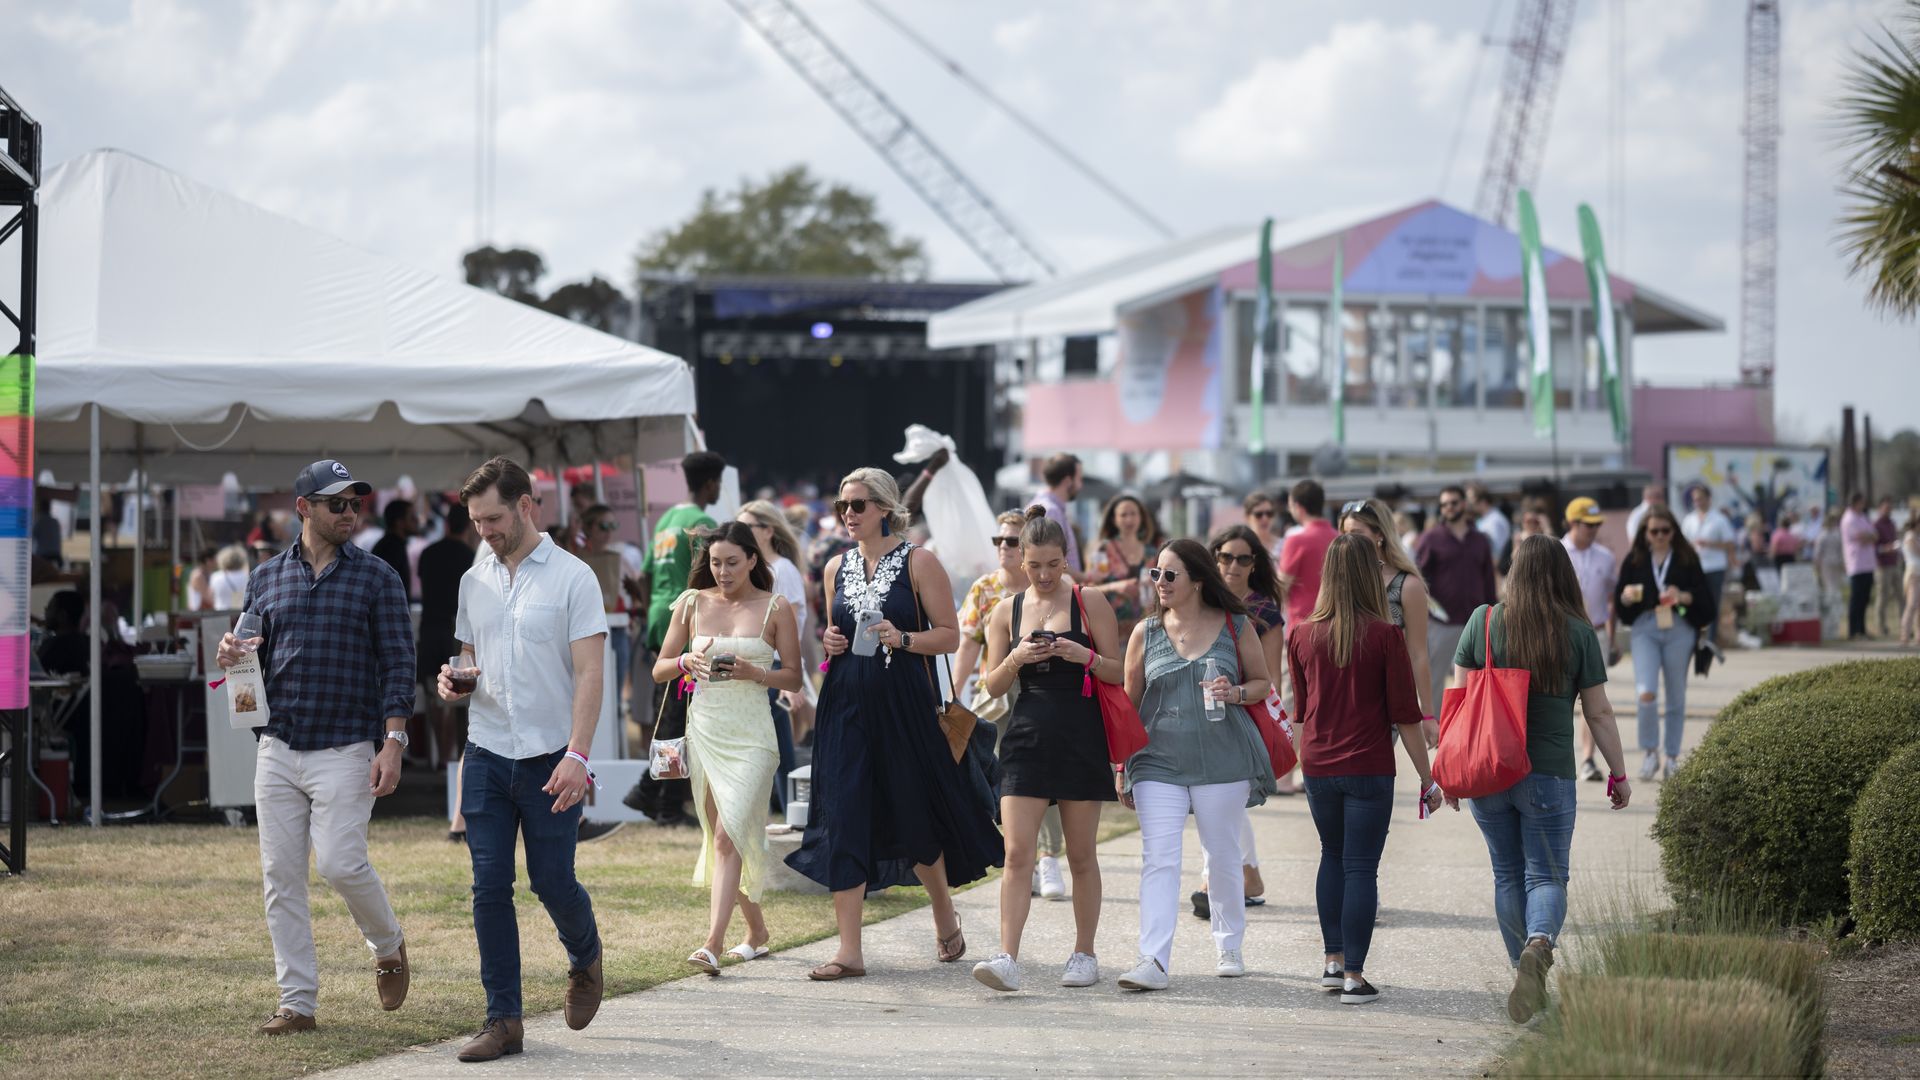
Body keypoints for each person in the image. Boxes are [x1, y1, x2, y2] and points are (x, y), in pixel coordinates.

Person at [214, 459, 413, 1037]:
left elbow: (399, 664)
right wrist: (232, 654)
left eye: (355, 503)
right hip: (278, 743)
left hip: (347, 745)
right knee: (280, 876)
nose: (350, 512)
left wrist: (393, 741)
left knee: (340, 863)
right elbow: (250, 651)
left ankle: (389, 944)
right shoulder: (266, 577)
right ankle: (296, 1004)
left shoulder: (379, 578)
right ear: (304, 509)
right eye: (337, 504)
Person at [786, 467, 1003, 981]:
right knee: (843, 813)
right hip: (846, 705)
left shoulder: (919, 561)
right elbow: (832, 634)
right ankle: (849, 951)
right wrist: (831, 644)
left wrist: (901, 638)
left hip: (904, 707)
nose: (848, 515)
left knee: (913, 812)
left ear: (885, 507)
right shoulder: (834, 567)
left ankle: (944, 911)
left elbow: (950, 637)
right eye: (842, 506)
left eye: (858, 505)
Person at [436, 456, 608, 1062]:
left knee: (552, 881)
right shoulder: (473, 579)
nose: (485, 531)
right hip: (485, 750)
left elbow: (591, 673)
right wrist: (453, 682)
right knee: (488, 888)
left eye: (495, 518)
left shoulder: (574, 577)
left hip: (550, 759)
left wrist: (578, 755)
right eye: (477, 521)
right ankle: (502, 1019)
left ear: (528, 504)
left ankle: (585, 956)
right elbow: (466, 657)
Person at [1451, 535, 1632, 1023]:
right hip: (1549, 772)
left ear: (1514, 570)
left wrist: (1451, 772)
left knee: (1508, 873)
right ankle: (1537, 946)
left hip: (1489, 769)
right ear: (1563, 574)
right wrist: (1617, 772)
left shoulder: (1484, 621)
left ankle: (1523, 969)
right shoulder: (1577, 631)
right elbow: (1597, 712)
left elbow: (1465, 700)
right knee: (1547, 875)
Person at [970, 507, 1123, 993]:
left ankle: (1085, 953)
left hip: (1081, 736)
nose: (1043, 574)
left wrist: (1085, 656)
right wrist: (1017, 656)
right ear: (1020, 560)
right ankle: (1007, 957)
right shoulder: (1005, 610)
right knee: (1018, 854)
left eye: (1052, 564)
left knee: (1081, 856)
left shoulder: (1088, 600)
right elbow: (991, 686)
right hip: (1026, 735)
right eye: (1034, 565)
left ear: (1065, 559)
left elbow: (1121, 671)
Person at [1117, 539, 1278, 992]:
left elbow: (1263, 682)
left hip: (1223, 761)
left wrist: (1237, 693)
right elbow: (1130, 704)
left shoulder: (1236, 625)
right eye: (1156, 574)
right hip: (1156, 762)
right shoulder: (1145, 633)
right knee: (1159, 860)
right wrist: (1120, 766)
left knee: (1223, 855)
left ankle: (1229, 944)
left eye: (1171, 575)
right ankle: (1153, 959)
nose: (1161, 583)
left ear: (1198, 580)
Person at [1289, 533, 1442, 1006]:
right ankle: (1355, 975)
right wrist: (1428, 777)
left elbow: (1300, 710)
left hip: (1318, 763)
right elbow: (1406, 716)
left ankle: (1333, 964)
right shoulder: (1384, 636)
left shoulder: (1300, 634)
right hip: (1368, 764)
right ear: (1368, 576)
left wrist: (1300, 764)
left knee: (1331, 855)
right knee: (1360, 867)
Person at [651, 523, 803, 975]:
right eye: (715, 562)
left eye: (732, 562)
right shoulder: (692, 604)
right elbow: (660, 668)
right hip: (707, 731)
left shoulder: (775, 608)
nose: (722, 571)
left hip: (754, 735)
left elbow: (793, 676)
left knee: (727, 833)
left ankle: (712, 943)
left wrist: (754, 673)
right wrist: (685, 661)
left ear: (753, 560)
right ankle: (756, 932)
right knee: (724, 837)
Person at [953, 510, 1067, 900]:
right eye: (998, 541)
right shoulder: (985, 589)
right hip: (998, 693)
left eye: (1012, 541)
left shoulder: (1058, 591)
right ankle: (1025, 857)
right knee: (1002, 778)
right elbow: (968, 643)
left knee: (1048, 777)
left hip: (1043, 695)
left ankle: (1050, 857)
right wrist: (955, 695)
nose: (1004, 548)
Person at [1188, 524, 1286, 921]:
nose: (1232, 565)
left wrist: (1239, 694)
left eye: (1243, 558)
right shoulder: (1203, 601)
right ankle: (1250, 876)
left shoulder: (1264, 612)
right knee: (1219, 798)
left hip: (1242, 713)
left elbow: (1271, 678)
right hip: (1202, 711)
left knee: (1221, 797)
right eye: (1225, 556)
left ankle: (1212, 879)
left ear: (1254, 564)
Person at [630, 451, 726, 827]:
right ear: (711, 483)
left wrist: (651, 607)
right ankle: (660, 799)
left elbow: (643, 575)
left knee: (670, 712)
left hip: (660, 618)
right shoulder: (701, 521)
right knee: (676, 716)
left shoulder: (667, 519)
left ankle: (657, 797)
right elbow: (710, 574)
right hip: (685, 621)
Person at [1614, 506, 1713, 781]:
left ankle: (1671, 757)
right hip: (1645, 627)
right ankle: (1649, 752)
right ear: (1645, 533)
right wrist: (1625, 597)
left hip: (1679, 628)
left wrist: (1683, 596)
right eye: (1654, 531)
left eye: (1665, 531)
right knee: (1645, 692)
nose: (1659, 536)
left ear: (1673, 532)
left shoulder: (1686, 558)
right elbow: (1621, 601)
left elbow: (1706, 600)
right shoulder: (1634, 559)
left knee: (1676, 694)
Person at [1337, 498, 1437, 744]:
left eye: (1357, 533)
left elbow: (1418, 654)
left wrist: (1427, 714)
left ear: (1379, 534)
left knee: (1371, 777)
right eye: (1344, 534)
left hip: (1382, 701)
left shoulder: (1407, 585)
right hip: (1337, 695)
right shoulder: (1336, 578)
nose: (1349, 540)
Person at [736, 499, 810, 812]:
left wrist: (790, 678)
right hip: (756, 666)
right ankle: (782, 807)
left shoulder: (783, 570)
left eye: (747, 527)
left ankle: (791, 808)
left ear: (767, 531)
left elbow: (791, 628)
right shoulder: (758, 569)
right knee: (766, 745)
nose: (739, 533)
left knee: (779, 746)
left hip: (775, 666)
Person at [418, 504, 477, 841]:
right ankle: (453, 757)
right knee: (461, 706)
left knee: (436, 700)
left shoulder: (427, 554)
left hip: (430, 633)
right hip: (453, 633)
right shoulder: (470, 556)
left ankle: (442, 759)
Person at [1416, 485, 1497, 699]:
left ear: (1463, 504)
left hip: (1477, 621)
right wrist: (1428, 611)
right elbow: (1418, 580)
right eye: (1444, 505)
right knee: (1435, 679)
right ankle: (1436, 729)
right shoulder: (1430, 538)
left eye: (1453, 503)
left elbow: (1489, 579)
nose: (1448, 508)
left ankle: (1474, 727)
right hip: (1442, 623)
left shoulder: (1480, 540)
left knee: (1480, 679)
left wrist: (1494, 615)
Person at [1561, 498, 1618, 781]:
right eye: (1588, 524)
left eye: (1597, 524)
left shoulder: (1606, 557)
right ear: (1573, 522)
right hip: (1559, 634)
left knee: (1592, 700)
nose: (1593, 529)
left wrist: (1613, 635)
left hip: (1595, 632)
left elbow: (1611, 598)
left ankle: (1587, 759)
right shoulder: (1556, 552)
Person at [1087, 494, 1163, 642]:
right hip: (1110, 632)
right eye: (1123, 515)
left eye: (1133, 514)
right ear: (1114, 519)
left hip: (1148, 631)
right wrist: (1115, 586)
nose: (1129, 519)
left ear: (1141, 517)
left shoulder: (1152, 552)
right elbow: (1087, 588)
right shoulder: (1104, 550)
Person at [1277, 480, 1337, 634]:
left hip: (1303, 625)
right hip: (1337, 625)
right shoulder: (1339, 538)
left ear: (1298, 507)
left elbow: (1281, 587)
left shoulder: (1296, 541)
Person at [1679, 486, 1735, 647]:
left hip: (1715, 567)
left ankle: (1710, 639)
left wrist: (1710, 544)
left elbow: (1730, 544)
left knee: (1712, 603)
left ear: (1708, 499)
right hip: (1695, 567)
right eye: (1695, 499)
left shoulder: (1719, 519)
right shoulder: (1689, 519)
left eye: (1700, 499)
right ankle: (1695, 636)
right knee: (1694, 603)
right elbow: (1682, 542)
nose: (1697, 502)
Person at [1030, 452, 1085, 574]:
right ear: (1067, 481)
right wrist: (1085, 577)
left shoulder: (1048, 507)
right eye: (1079, 479)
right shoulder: (1051, 511)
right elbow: (1050, 561)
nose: (1081, 485)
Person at [1841, 492, 1879, 641]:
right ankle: (1853, 630)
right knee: (1856, 598)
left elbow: (1874, 535)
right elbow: (1860, 537)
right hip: (1856, 563)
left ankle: (1862, 629)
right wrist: (1869, 536)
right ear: (1855, 503)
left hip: (1868, 563)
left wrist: (1869, 536)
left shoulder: (1862, 516)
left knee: (1865, 598)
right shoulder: (1849, 519)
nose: (1864, 505)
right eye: (1861, 502)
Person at [1497, 497, 1555, 579]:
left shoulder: (1547, 541)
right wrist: (1513, 557)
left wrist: (1547, 529)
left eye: (1535, 522)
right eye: (1528, 521)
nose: (1532, 525)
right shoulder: (1516, 540)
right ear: (1523, 522)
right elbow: (1502, 569)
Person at [371, 499, 415, 600]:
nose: (417, 520)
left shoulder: (393, 545)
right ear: (399, 522)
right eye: (412, 517)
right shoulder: (390, 548)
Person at [1875, 497, 1902, 638]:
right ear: (1880, 509)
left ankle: (1905, 626)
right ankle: (1881, 627)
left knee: (1901, 596)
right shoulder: (1876, 525)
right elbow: (1874, 548)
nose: (1888, 511)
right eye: (1886, 508)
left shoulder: (1892, 523)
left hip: (1894, 563)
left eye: (1890, 508)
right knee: (1883, 597)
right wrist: (1886, 548)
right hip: (1882, 566)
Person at [1468, 482, 1512, 567]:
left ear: (1483, 501)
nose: (1469, 504)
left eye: (1471, 500)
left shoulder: (1495, 521)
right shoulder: (1483, 520)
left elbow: (1497, 554)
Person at [1244, 490, 1284, 560]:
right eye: (1258, 514)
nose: (1265, 518)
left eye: (1269, 513)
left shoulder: (1284, 545)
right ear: (1248, 517)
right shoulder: (1242, 547)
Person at [211, 544, 251, 609]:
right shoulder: (246, 576)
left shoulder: (216, 576)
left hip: (220, 613)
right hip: (239, 613)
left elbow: (212, 596)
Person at [1901, 515, 1920, 647]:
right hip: (1913, 573)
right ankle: (1905, 635)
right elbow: (1917, 551)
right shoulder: (1910, 536)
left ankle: (1918, 635)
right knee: (1911, 604)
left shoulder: (1917, 536)